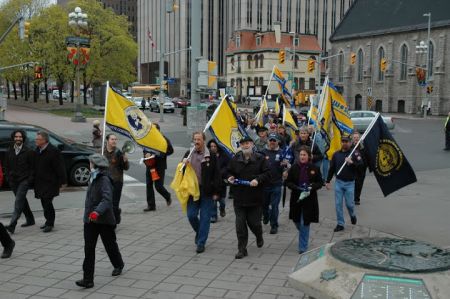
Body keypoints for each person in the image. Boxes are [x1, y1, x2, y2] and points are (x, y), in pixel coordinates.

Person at [76, 154, 124, 289]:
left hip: (104, 220)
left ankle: (118, 264)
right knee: (89, 249)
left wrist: (97, 212)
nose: (89, 165)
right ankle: (88, 279)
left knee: (110, 245)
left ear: (95, 165)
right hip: (90, 220)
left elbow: (107, 200)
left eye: (90, 163)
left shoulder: (104, 180)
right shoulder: (93, 177)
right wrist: (89, 214)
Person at [227, 137, 271, 259]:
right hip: (239, 198)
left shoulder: (260, 159)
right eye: (243, 144)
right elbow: (228, 171)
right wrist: (230, 177)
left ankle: (259, 235)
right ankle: (242, 249)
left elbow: (267, 173)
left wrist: (258, 179)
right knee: (240, 226)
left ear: (252, 144)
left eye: (247, 143)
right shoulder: (235, 159)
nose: (245, 146)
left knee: (255, 223)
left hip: (255, 199)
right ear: (240, 146)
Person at [183, 132, 222, 254]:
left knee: (205, 218)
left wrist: (216, 192)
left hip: (207, 191)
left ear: (203, 141)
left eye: (199, 139)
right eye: (195, 139)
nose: (196, 142)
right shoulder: (189, 153)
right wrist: (184, 164)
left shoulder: (211, 155)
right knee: (191, 215)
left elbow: (217, 174)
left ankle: (201, 243)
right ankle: (200, 233)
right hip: (192, 190)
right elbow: (181, 172)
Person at [285, 146, 323, 253]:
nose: (302, 157)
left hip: (309, 200)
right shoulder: (294, 167)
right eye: (301, 155)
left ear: (309, 156)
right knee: (296, 221)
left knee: (304, 222)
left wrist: (312, 187)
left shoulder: (314, 168)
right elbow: (288, 182)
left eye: (304, 155)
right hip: (296, 198)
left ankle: (303, 247)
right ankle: (304, 233)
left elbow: (320, 182)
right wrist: (296, 187)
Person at [325, 135, 362, 232]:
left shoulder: (354, 153)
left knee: (349, 204)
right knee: (338, 204)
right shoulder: (336, 154)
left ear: (350, 143)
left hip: (350, 183)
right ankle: (340, 224)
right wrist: (328, 181)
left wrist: (352, 162)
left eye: (346, 141)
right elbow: (332, 168)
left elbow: (361, 166)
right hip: (339, 183)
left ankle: (352, 215)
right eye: (343, 141)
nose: (344, 143)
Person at [34, 131, 67, 233]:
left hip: (51, 182)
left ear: (44, 140)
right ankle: (47, 221)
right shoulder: (38, 150)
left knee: (48, 203)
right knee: (44, 202)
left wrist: (63, 181)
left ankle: (50, 223)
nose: (36, 140)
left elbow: (60, 167)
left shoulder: (53, 151)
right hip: (40, 182)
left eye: (38, 139)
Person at [4, 130, 35, 234]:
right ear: (13, 138)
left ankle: (12, 225)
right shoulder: (9, 151)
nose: (18, 138)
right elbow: (6, 166)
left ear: (23, 138)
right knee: (22, 200)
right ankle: (30, 219)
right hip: (13, 181)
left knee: (18, 202)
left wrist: (29, 180)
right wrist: (8, 177)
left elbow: (33, 168)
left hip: (24, 181)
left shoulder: (29, 151)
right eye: (16, 137)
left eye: (20, 137)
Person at [261, 133, 288, 234]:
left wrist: (286, 170)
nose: (272, 142)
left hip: (276, 184)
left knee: (274, 206)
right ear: (268, 141)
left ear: (278, 142)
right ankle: (266, 215)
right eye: (270, 140)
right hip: (264, 184)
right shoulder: (262, 152)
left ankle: (274, 225)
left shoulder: (282, 153)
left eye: (274, 140)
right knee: (264, 205)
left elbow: (287, 165)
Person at [143, 123, 174, 211]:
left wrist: (160, 154)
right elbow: (144, 149)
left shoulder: (163, 139)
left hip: (159, 166)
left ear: (158, 130)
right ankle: (151, 205)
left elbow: (171, 150)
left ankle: (167, 196)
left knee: (158, 186)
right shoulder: (147, 139)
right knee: (149, 185)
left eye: (154, 129)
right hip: (149, 165)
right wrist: (146, 155)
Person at [103, 134, 129, 224]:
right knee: (106, 202)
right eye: (112, 139)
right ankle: (116, 213)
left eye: (115, 139)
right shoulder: (101, 151)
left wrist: (125, 161)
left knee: (114, 203)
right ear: (107, 140)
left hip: (117, 181)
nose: (114, 141)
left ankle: (113, 222)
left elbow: (126, 167)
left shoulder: (119, 152)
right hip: (105, 180)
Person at [207, 140, 230, 223]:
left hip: (221, 181)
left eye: (214, 146)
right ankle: (213, 216)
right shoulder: (207, 156)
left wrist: (221, 172)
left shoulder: (224, 155)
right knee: (213, 199)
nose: (213, 148)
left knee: (222, 200)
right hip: (212, 181)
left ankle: (222, 208)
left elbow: (228, 166)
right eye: (211, 146)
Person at [352, 132, 367, 205]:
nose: (356, 139)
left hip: (361, 170)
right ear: (352, 138)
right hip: (352, 169)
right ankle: (351, 198)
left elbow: (366, 158)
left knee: (359, 185)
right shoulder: (350, 147)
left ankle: (357, 199)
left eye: (357, 138)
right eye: (354, 138)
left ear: (359, 138)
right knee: (351, 184)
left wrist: (365, 167)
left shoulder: (363, 147)